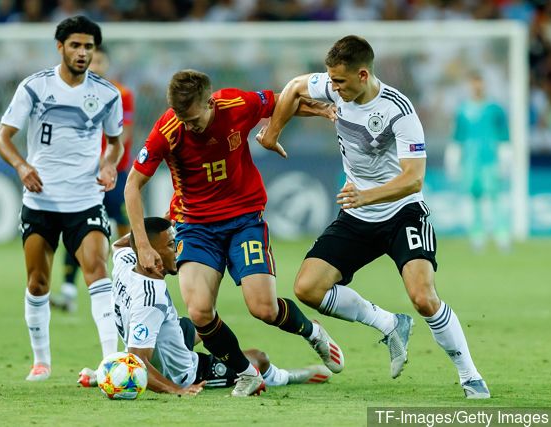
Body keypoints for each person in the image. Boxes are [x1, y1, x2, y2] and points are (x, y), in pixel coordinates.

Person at [259, 35, 490, 399]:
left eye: (340, 81)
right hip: (358, 214)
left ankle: (470, 375)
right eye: (331, 80)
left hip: (402, 212)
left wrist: (365, 195)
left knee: (423, 298)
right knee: (308, 288)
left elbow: (413, 179)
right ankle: (389, 323)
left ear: (363, 74)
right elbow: (293, 88)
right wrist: (273, 133)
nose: (333, 89)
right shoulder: (334, 87)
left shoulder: (399, 110)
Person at [124, 69, 344, 397]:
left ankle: (313, 332)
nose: (189, 126)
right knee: (199, 312)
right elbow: (132, 185)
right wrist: (143, 245)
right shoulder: (168, 130)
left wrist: (320, 109)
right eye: (182, 119)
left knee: (264, 308)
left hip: (243, 220)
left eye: (194, 119)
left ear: (210, 103)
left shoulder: (235, 104)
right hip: (195, 227)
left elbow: (283, 100)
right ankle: (247, 374)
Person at [0, 15, 122, 381]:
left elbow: (115, 143)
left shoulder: (107, 94)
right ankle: (41, 361)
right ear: (60, 47)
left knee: (97, 270)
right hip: (41, 201)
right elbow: (2, 137)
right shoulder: (35, 87)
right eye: (75, 45)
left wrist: (109, 165)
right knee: (38, 282)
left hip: (85, 199)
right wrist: (22, 166)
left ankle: (111, 361)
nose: (82, 53)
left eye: (88, 47)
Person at [77, 217, 333, 395]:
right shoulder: (150, 300)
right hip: (183, 371)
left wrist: (145, 238)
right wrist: (176, 390)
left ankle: (107, 372)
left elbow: (120, 244)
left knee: (207, 324)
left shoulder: (125, 260)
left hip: (167, 332)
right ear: (150, 252)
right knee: (258, 358)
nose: (178, 250)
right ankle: (287, 376)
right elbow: (137, 360)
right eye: (170, 245)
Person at [52, 44, 136, 313]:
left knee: (125, 230)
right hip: (83, 175)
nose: (96, 66)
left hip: (115, 173)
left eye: (100, 61)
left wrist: (105, 161)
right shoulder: (73, 94)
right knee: (75, 227)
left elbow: (124, 133)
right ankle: (68, 292)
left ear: (107, 64)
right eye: (92, 61)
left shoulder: (121, 94)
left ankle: (131, 287)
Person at [446, 71, 511, 252]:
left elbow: (504, 136)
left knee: (495, 197)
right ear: (469, 85)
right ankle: (477, 236)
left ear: (484, 84)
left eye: (480, 82)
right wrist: (453, 159)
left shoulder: (495, 109)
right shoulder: (462, 110)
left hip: (490, 160)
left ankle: (502, 235)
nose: (477, 86)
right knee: (474, 198)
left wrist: (505, 158)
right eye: (474, 83)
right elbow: (457, 137)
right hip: (470, 161)